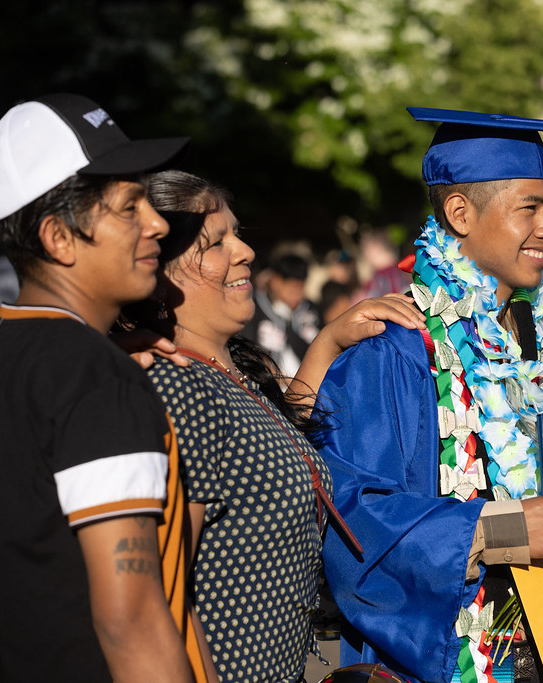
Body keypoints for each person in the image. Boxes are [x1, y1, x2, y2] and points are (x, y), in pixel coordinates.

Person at [312, 108, 543, 683]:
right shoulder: (395, 353)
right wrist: (499, 531)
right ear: (460, 213)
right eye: (528, 208)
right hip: (454, 661)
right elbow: (352, 519)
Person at [119, 169, 426, 682]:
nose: (243, 252)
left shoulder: (227, 371)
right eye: (214, 243)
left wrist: (328, 342)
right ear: (159, 268)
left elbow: (277, 445)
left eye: (236, 234)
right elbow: (164, 588)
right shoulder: (177, 387)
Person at [0, 94, 211, 681]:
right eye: (129, 207)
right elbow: (128, 620)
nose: (157, 222)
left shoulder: (0, 349)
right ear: (59, 238)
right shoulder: (93, 376)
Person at [241, 251, 322, 377]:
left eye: (301, 288)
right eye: (291, 289)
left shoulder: (311, 310)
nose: (297, 295)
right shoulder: (253, 310)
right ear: (275, 281)